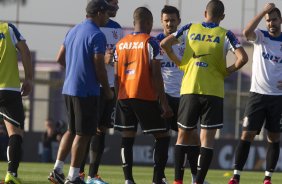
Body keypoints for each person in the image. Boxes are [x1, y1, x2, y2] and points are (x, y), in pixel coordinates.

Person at [160, 0, 248, 184]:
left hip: (190, 89)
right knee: (206, 140)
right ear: (222, 17)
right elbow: (243, 58)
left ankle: (177, 181)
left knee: (182, 136)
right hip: (213, 92)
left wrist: (180, 63)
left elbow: (165, 44)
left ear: (204, 13)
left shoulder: (191, 28)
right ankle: (198, 181)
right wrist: (227, 70)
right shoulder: (226, 34)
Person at [47, 0, 115, 184]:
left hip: (69, 88)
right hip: (86, 91)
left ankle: (57, 170)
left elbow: (60, 58)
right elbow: (100, 68)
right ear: (99, 13)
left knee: (71, 130)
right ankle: (73, 176)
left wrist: (75, 70)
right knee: (84, 134)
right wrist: (108, 91)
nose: (108, 16)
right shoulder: (97, 34)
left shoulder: (73, 30)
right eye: (107, 13)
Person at [114, 6, 173, 184]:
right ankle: (157, 179)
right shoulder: (151, 42)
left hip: (124, 96)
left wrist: (119, 97)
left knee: (127, 137)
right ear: (148, 23)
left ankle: (128, 180)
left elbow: (116, 76)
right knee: (163, 135)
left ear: (134, 22)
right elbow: (156, 75)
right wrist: (164, 103)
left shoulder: (120, 44)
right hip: (144, 95)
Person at [228, 3, 282, 184]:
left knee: (273, 137)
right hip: (257, 95)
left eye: (274, 19)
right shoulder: (261, 36)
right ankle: (236, 176)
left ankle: (268, 178)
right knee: (247, 134)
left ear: (280, 20)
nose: (271, 23)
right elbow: (246, 32)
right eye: (268, 20)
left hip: (278, 98)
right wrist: (264, 11)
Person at [156, 5, 206, 184]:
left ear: (178, 21)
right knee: (162, 137)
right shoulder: (156, 42)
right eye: (166, 20)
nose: (169, 23)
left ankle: (195, 178)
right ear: (161, 21)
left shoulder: (187, 40)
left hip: (185, 95)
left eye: (173, 20)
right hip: (164, 96)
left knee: (192, 137)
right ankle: (160, 178)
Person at [78, 0, 123, 183]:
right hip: (93, 87)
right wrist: (102, 59)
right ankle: (78, 172)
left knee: (102, 130)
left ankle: (92, 175)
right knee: (87, 131)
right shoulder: (88, 27)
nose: (116, 7)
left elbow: (118, 57)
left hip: (110, 87)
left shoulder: (117, 28)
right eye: (113, 4)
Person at [0, 21, 33, 184]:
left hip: (9, 89)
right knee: (15, 133)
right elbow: (25, 52)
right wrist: (28, 79)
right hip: (8, 89)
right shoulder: (8, 28)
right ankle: (11, 173)